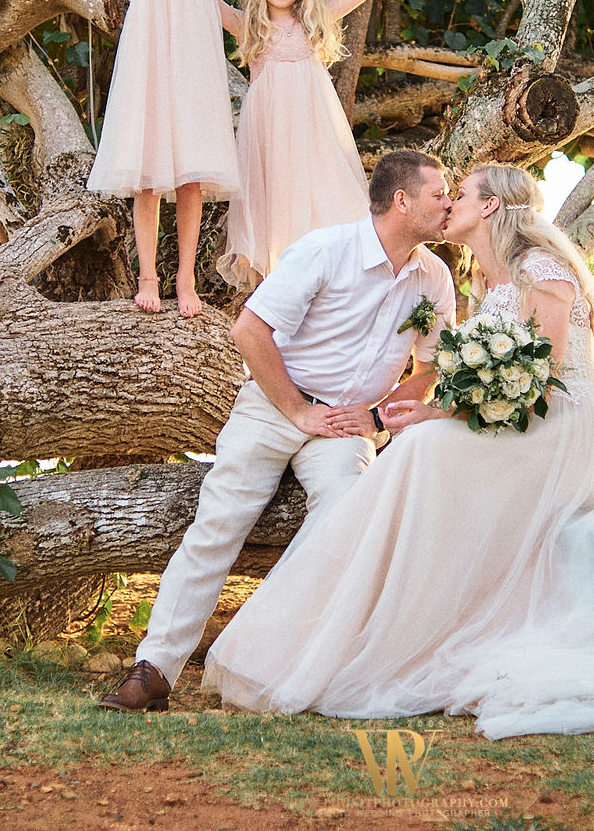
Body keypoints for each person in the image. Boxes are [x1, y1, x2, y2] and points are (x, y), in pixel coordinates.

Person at [201, 164, 594, 739]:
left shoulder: (543, 270)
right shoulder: (485, 283)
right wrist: (431, 411)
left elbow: (541, 384)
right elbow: (475, 381)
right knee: (419, 447)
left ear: (488, 208)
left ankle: (376, 626)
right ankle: (344, 629)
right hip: (515, 425)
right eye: (444, 193)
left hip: (561, 430)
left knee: (421, 449)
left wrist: (437, 413)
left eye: (460, 194)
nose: (450, 202)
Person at [98, 150, 459, 713]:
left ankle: (276, 658)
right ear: (402, 200)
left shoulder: (434, 277)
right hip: (273, 406)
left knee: (345, 519)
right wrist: (295, 409)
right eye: (441, 194)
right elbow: (250, 328)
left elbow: (433, 368)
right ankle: (155, 668)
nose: (450, 204)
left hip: (346, 428)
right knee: (219, 521)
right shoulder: (325, 250)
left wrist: (374, 416)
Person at [215, 0, 456, 290]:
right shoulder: (249, 23)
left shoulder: (315, 19)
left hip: (313, 131)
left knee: (324, 200)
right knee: (272, 205)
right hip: (268, 133)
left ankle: (333, 285)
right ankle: (275, 289)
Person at [84, 0, 242, 317]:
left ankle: (186, 280)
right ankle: (148, 276)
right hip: (148, 69)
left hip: (194, 71)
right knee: (150, 179)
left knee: (190, 180)